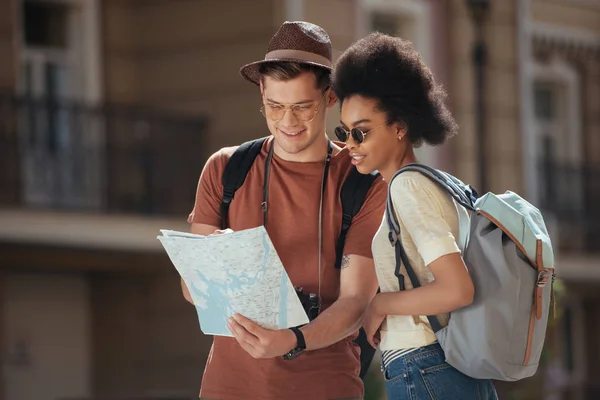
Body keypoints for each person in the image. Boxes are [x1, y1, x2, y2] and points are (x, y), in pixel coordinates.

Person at [182, 22, 387, 400]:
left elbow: (356, 304)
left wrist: (291, 341)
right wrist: (220, 260)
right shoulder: (225, 169)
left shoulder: (365, 183)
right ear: (261, 90)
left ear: (329, 98)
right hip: (226, 390)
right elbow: (193, 290)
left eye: (302, 107)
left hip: (325, 389)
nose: (287, 122)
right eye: (274, 106)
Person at [332, 33, 499, 400]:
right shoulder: (442, 183)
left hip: (423, 366)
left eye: (360, 131)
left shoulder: (408, 189)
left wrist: (380, 304)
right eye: (343, 132)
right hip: (454, 365)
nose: (349, 145)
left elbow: (457, 288)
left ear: (400, 126)